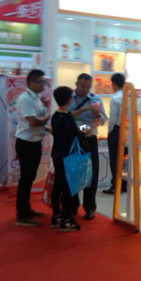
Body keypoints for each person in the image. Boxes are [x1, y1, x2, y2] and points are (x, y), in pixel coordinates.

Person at [68, 73, 107, 220]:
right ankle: (72, 205)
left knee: (91, 174)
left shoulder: (96, 99)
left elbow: (103, 120)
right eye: (82, 86)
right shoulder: (69, 98)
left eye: (88, 87)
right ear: (76, 84)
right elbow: (66, 117)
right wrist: (84, 125)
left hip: (90, 140)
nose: (85, 90)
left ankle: (90, 207)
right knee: (73, 172)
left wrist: (97, 115)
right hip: (73, 139)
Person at [50, 86, 90, 232]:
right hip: (68, 156)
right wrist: (86, 130)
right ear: (69, 99)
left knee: (57, 185)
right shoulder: (67, 117)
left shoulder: (55, 116)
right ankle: (67, 219)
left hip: (57, 153)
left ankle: (56, 215)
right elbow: (75, 135)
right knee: (68, 187)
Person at [15, 69, 50, 227]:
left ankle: (26, 209)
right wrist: (47, 118)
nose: (43, 85)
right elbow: (33, 122)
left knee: (29, 178)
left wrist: (48, 127)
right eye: (40, 82)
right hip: (26, 143)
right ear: (31, 82)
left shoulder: (37, 98)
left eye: (44, 82)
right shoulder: (25, 99)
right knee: (26, 179)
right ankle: (22, 215)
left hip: (35, 142)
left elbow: (38, 121)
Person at [103, 73, 127, 194]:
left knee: (115, 159)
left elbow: (112, 119)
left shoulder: (115, 99)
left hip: (117, 131)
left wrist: (109, 131)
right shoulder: (129, 96)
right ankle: (125, 184)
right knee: (125, 159)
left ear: (113, 84)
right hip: (128, 131)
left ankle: (116, 185)